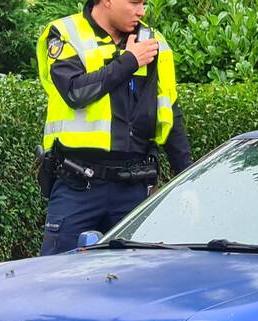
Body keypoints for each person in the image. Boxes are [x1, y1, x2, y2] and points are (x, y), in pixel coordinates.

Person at [36, 0, 194, 255]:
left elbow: (169, 111)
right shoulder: (65, 33)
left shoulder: (154, 41)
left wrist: (188, 178)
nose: (141, 11)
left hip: (133, 188)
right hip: (78, 185)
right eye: (134, 3)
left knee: (135, 275)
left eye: (144, 3)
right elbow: (75, 92)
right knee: (58, 273)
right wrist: (130, 61)